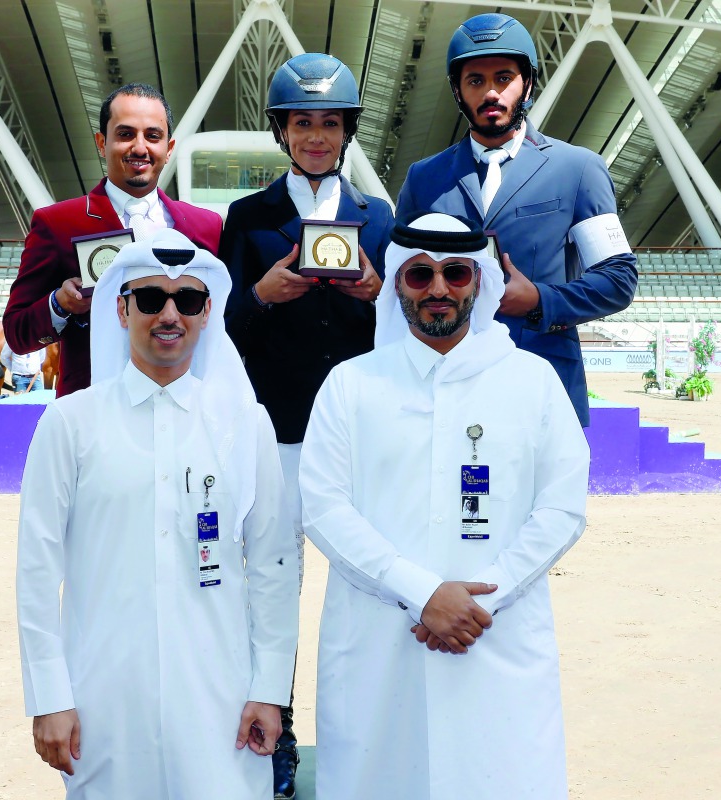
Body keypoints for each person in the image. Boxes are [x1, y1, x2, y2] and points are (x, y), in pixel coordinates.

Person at [299, 213, 590, 799]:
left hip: (495, 634)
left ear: (479, 281)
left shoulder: (531, 380)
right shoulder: (351, 384)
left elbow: (562, 506)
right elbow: (324, 508)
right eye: (419, 275)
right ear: (397, 284)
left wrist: (486, 596)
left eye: (455, 273)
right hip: (383, 643)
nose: (438, 289)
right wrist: (423, 593)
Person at [16, 230, 299, 798]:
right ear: (121, 310)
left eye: (187, 301)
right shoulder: (70, 423)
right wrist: (49, 697)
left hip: (221, 700)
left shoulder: (245, 421)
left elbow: (273, 563)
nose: (169, 315)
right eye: (150, 299)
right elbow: (38, 573)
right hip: (103, 698)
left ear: (206, 312)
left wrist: (269, 688)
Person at [220, 52, 393, 800]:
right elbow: (220, 330)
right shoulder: (249, 219)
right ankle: (277, 732)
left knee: (367, 589)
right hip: (280, 427)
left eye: (329, 123)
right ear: (281, 132)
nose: (316, 136)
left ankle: (366, 735)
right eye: (302, 123)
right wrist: (261, 293)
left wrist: (380, 294)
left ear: (348, 131)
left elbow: (414, 328)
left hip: (359, 435)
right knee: (274, 589)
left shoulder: (381, 219)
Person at [396, 12, 638, 427]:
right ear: (458, 91)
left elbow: (618, 279)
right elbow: (403, 273)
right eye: (475, 81)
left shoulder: (578, 169)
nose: (491, 92)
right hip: (442, 392)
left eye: (504, 78)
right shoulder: (424, 178)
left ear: (527, 83)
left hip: (544, 389)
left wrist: (541, 301)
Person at [3, 82, 223, 398]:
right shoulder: (58, 223)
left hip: (185, 411)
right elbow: (16, 332)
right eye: (125, 134)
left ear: (169, 148)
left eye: (152, 136)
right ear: (101, 142)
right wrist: (60, 304)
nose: (139, 147)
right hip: (95, 413)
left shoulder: (206, 227)